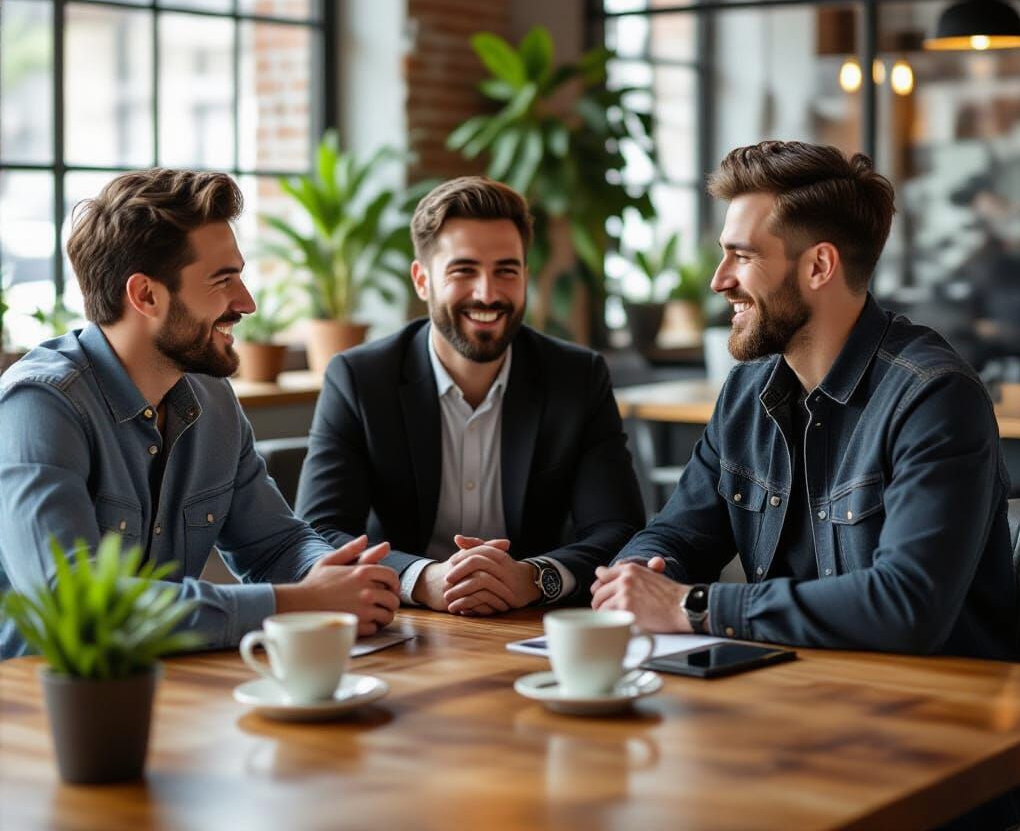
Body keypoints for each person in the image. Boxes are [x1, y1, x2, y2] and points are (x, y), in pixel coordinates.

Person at [593, 140, 1017, 662]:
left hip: (933, 717)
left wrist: (695, 606)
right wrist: (636, 578)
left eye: (743, 256)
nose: (719, 280)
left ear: (819, 266)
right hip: (794, 697)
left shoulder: (934, 398)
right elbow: (679, 532)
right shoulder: (748, 389)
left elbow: (907, 606)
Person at [0, 169, 399, 659]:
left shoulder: (211, 398)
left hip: (168, 692)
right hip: (39, 710)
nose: (246, 302)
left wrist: (331, 575)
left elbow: (275, 544)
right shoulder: (39, 406)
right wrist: (293, 603)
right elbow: (75, 606)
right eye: (222, 280)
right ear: (145, 295)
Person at [296, 176, 645, 616]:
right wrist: (421, 579)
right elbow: (320, 530)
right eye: (464, 270)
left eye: (506, 270)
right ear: (422, 280)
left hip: (536, 623)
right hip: (405, 622)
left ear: (526, 277)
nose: (488, 293)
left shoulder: (577, 377)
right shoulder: (360, 378)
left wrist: (535, 577)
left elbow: (618, 528)